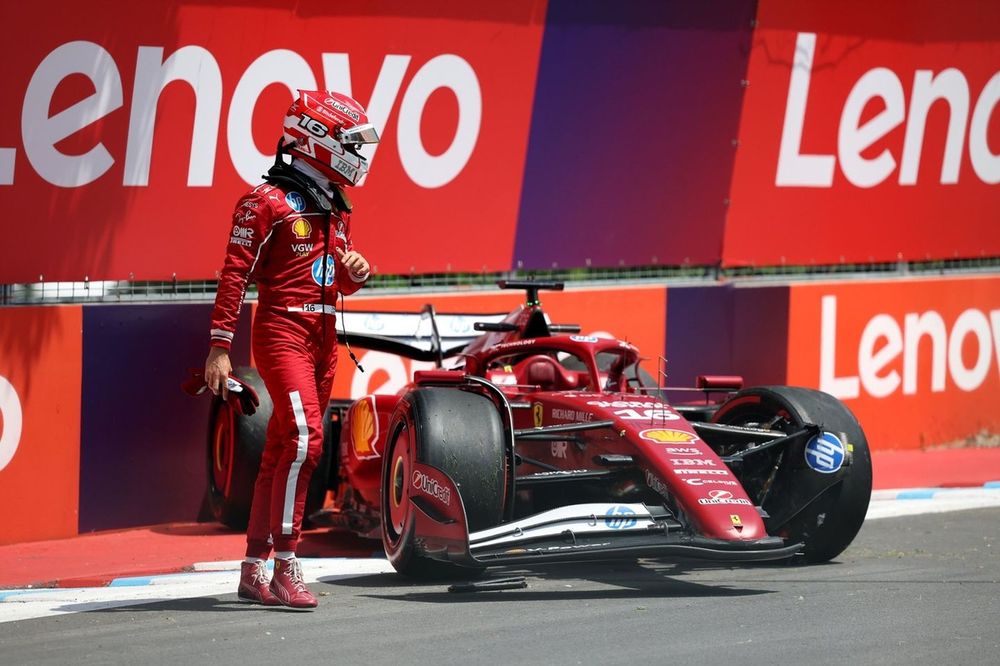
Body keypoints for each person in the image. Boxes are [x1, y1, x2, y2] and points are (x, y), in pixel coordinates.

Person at [204, 90, 378, 609]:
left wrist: (353, 277)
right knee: (307, 442)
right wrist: (218, 347)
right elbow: (234, 275)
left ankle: (253, 567)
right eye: (350, 142)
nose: (358, 153)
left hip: (324, 339)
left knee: (283, 450)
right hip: (281, 331)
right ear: (317, 138)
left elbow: (332, 283)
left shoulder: (337, 206)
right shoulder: (264, 201)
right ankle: (286, 563)